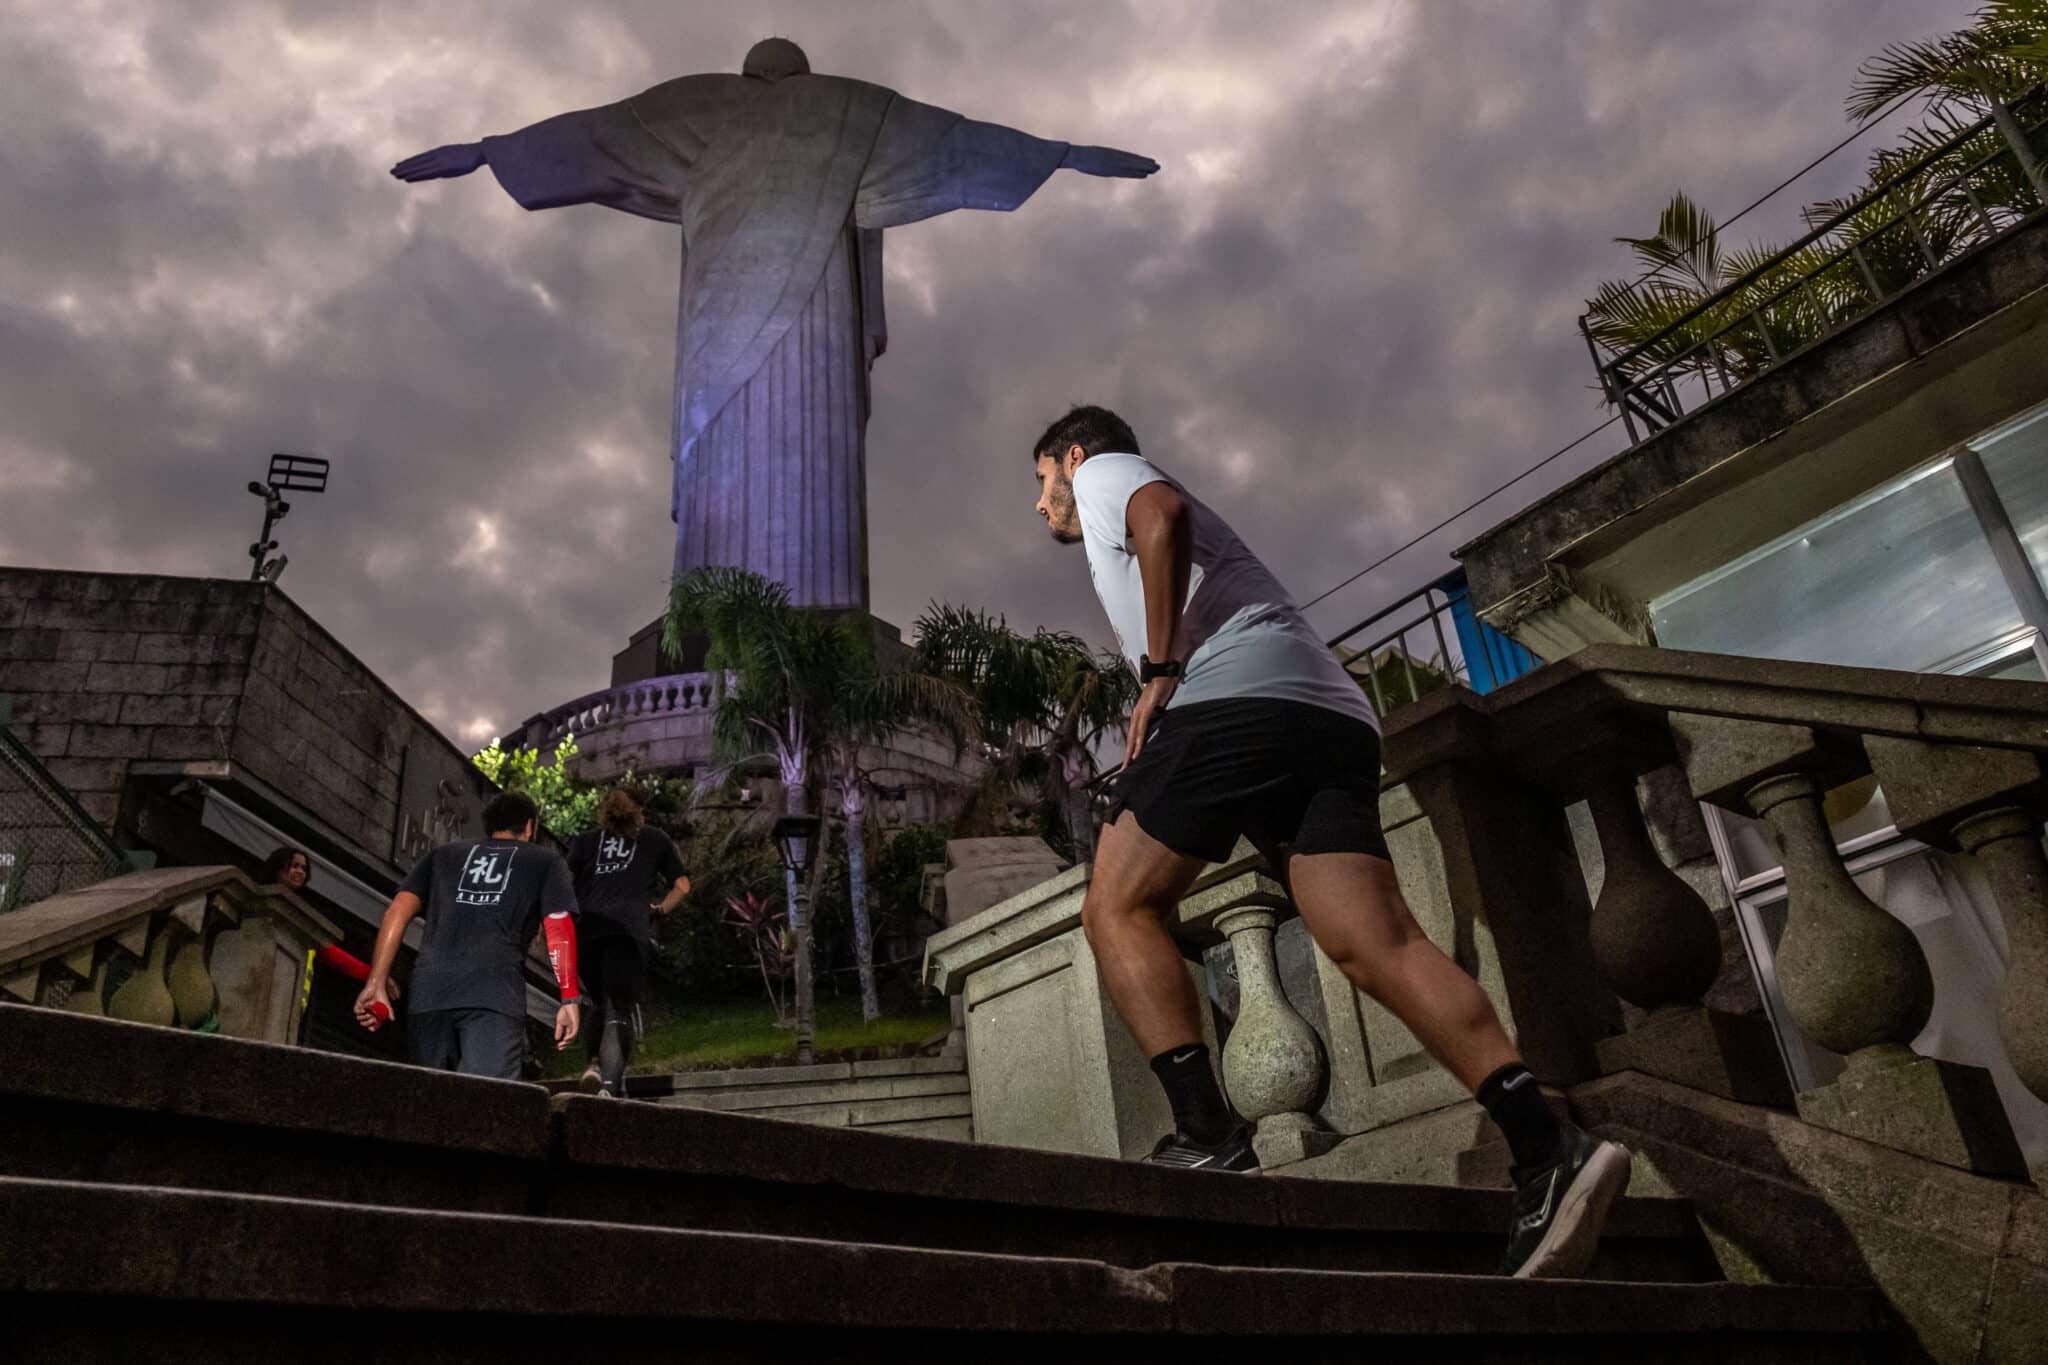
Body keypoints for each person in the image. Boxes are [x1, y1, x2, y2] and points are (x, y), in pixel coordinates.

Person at [1027, 405, 1630, 1279]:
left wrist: (1159, 672)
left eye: (1040, 482)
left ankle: (1207, 1132)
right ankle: (1545, 1142)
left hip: (1229, 699)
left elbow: (1162, 516)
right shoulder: (1109, 505)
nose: (1042, 504)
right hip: (1330, 717)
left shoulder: (1103, 471)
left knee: (1117, 906)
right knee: (1373, 940)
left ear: (1070, 457)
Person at [354, 792, 582, 1080]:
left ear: (489, 825)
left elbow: (396, 913)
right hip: (493, 996)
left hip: (429, 995)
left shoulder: (442, 855)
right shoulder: (546, 861)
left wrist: (376, 980)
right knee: (485, 1103)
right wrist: (569, 998)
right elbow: (558, 925)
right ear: (530, 826)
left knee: (429, 1101)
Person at [565, 787, 691, 1098]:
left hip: (587, 932)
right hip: (626, 931)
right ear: (640, 810)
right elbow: (683, 886)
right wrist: (660, 910)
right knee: (618, 1008)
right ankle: (610, 1086)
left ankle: (593, 1065)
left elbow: (562, 886)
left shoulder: (585, 842)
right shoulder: (655, 838)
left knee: (597, 1001)